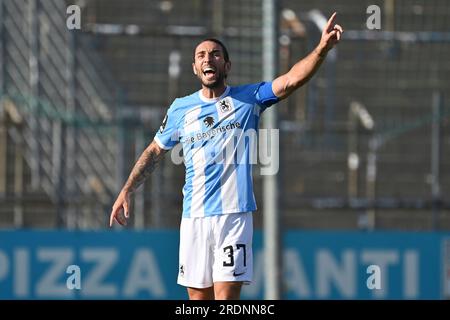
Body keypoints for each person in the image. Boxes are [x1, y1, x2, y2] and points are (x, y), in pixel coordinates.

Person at [110, 12, 343, 300]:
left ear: (227, 65)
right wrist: (127, 189)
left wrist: (321, 49)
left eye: (216, 54)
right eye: (202, 55)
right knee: (198, 301)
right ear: (195, 68)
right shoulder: (181, 109)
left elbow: (291, 81)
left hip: (233, 216)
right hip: (194, 217)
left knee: (227, 299)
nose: (208, 58)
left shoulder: (249, 99)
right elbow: (155, 150)